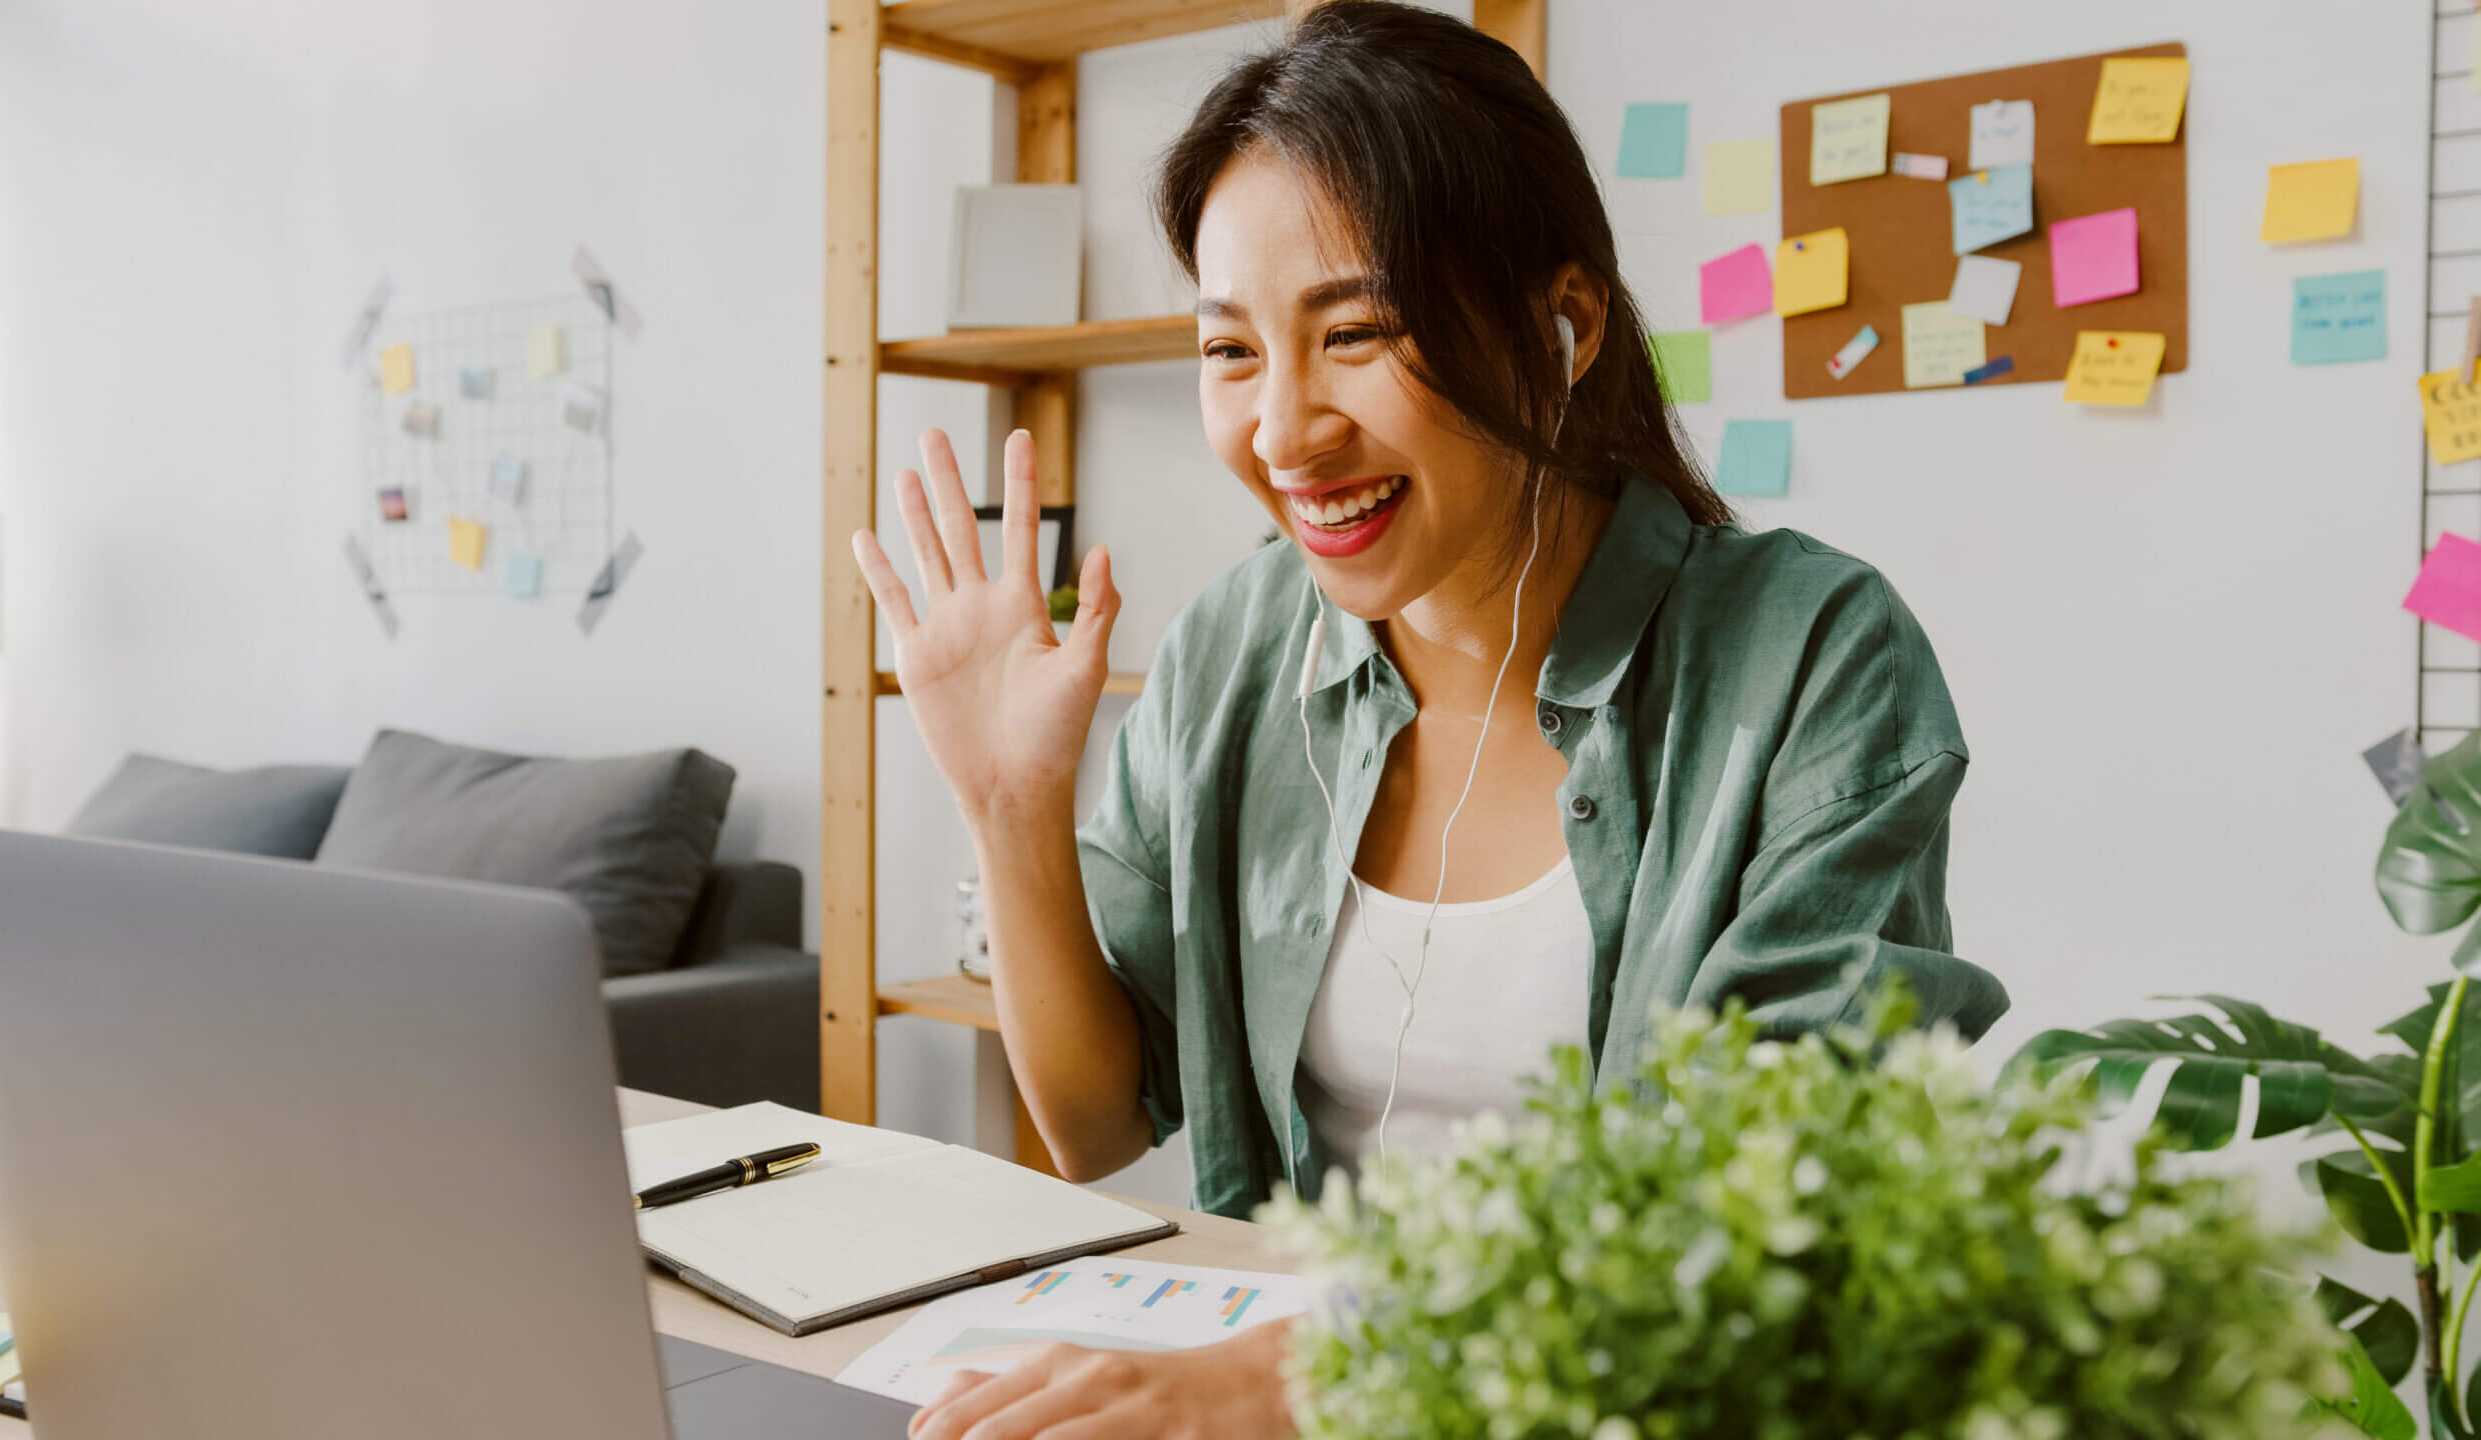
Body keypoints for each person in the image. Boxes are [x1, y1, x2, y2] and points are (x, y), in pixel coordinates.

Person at [853, 4, 2009, 1435]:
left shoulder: (1812, 660)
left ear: (1563, 324)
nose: (1283, 430)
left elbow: (1777, 1217)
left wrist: (1267, 1390)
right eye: (1230, 352)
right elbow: (1099, 1128)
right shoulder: (1235, 648)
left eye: (1358, 333)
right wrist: (1012, 806)